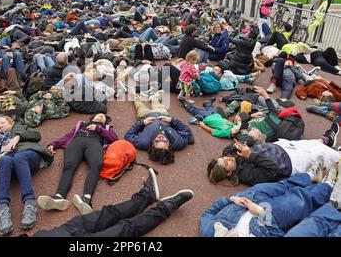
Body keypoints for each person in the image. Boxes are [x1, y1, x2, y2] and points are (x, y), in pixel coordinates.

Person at [33, 169, 194, 237]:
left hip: (64, 231)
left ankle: (147, 195)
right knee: (126, 228)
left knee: (109, 213)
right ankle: (165, 208)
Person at [200, 165, 340, 237]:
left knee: (282, 185)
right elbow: (277, 234)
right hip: (269, 215)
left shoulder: (208, 231)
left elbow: (208, 212)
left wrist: (231, 198)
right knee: (299, 200)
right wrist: (261, 212)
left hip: (248, 197)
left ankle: (309, 175)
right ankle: (328, 185)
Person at [0, 115, 54, 236]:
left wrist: (18, 137)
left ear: (10, 122)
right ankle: (3, 209)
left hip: (28, 154)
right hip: (9, 161)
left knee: (19, 157)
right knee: (4, 160)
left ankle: (30, 203)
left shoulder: (20, 127)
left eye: (2, 122)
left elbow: (37, 135)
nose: (0, 125)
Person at [206, 121, 340, 187]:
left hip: (281, 146)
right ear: (229, 173)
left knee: (312, 143)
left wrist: (246, 139)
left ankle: (327, 140)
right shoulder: (246, 176)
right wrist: (250, 155)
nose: (228, 158)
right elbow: (274, 168)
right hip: (293, 161)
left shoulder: (229, 154)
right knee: (328, 156)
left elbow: (248, 138)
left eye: (223, 158)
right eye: (226, 162)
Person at [37, 113, 118, 215]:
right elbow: (68, 136)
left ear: (106, 121)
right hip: (77, 142)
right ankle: (59, 197)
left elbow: (114, 139)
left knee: (96, 164)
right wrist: (53, 144)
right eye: (99, 115)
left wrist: (98, 129)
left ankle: (86, 199)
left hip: (95, 144)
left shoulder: (106, 128)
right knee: (68, 166)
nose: (101, 116)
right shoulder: (81, 124)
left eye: (104, 116)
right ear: (92, 117)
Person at [124, 91, 193, 165]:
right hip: (163, 114)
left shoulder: (143, 142)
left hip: (145, 115)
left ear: (152, 146)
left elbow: (128, 136)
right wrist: (173, 120)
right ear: (169, 146)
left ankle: (135, 97)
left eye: (157, 141)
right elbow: (187, 132)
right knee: (157, 104)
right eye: (164, 141)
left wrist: (142, 123)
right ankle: (154, 99)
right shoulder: (177, 142)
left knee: (140, 106)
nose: (161, 138)